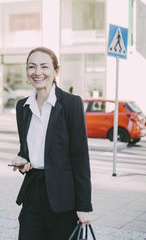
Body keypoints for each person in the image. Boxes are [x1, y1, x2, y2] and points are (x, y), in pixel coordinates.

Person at [11, 47, 92, 240]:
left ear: (56, 70)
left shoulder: (71, 103)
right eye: (32, 67)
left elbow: (80, 157)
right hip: (32, 195)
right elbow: (27, 149)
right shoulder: (22, 106)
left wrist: (84, 206)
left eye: (44, 66)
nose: (37, 72)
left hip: (63, 198)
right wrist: (22, 160)